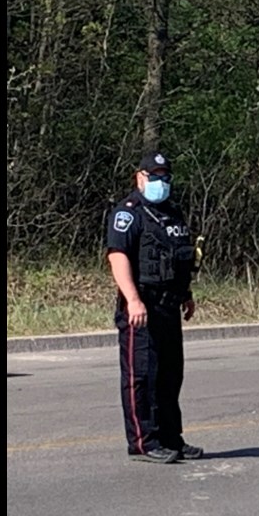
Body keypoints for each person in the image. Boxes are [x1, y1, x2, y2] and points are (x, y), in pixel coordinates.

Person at [106, 151, 203, 464]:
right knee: (141, 376)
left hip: (169, 305)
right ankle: (143, 441)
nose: (160, 181)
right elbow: (117, 256)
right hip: (141, 306)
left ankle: (171, 437)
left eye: (164, 176)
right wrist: (133, 299)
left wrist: (186, 293)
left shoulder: (172, 214)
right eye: (154, 175)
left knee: (170, 375)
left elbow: (179, 258)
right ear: (140, 178)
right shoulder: (129, 213)